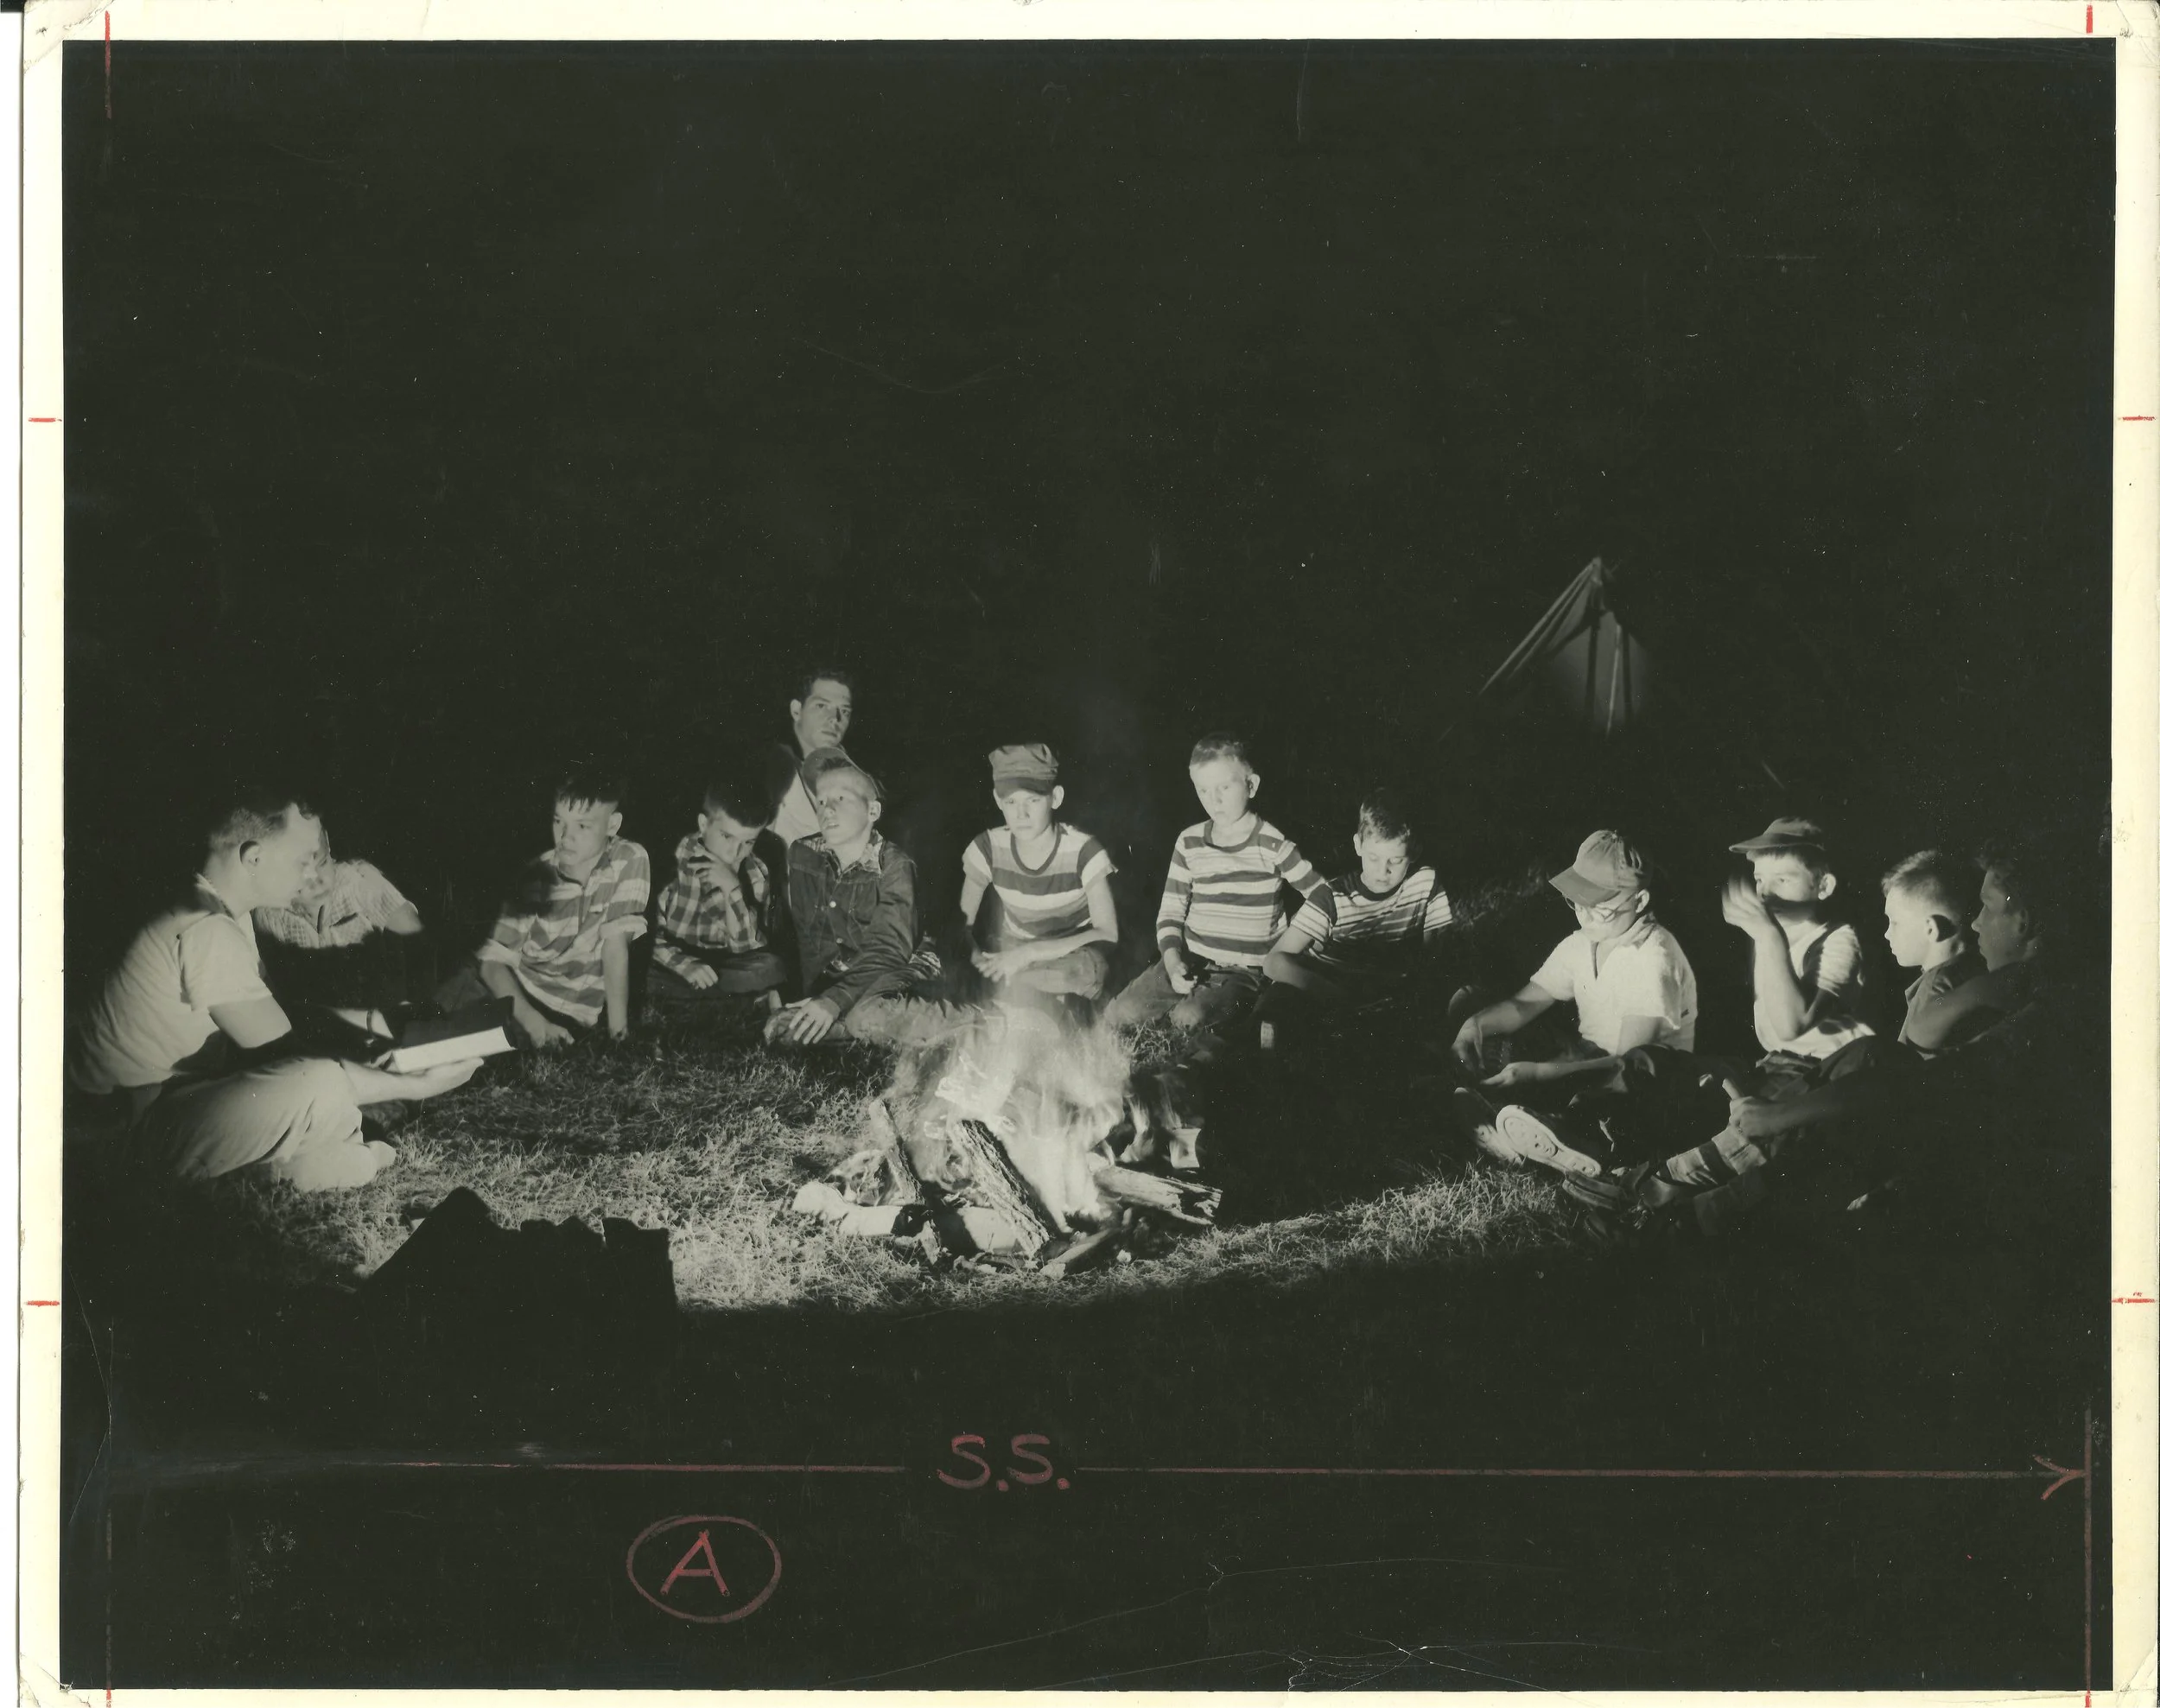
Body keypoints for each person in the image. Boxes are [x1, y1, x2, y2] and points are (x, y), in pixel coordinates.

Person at [67, 789, 477, 1190]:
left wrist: (373, 1023)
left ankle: (290, 1166)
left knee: (324, 1104)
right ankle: (300, 1163)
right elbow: (291, 1060)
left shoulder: (213, 907)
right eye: (303, 860)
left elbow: (276, 1017)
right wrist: (420, 1083)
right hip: (124, 1132)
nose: (311, 875)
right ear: (255, 857)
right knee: (323, 1084)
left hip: (163, 1106)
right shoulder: (206, 927)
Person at [1103, 732, 1326, 1044]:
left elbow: (1323, 896)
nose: (1214, 800)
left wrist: (1300, 947)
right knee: (1121, 1012)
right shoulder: (1189, 841)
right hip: (1192, 958)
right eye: (1203, 790)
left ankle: (1214, 1039)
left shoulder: (1273, 843)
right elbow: (1171, 910)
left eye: (1224, 787)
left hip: (1243, 970)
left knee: (1188, 1019)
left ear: (1251, 785)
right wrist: (1171, 959)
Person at [436, 762, 651, 1046]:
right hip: (510, 993)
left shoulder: (630, 859)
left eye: (583, 826)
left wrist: (619, 1036)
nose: (565, 837)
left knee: (475, 1050)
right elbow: (491, 965)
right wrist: (535, 1023)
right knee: (428, 1032)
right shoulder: (535, 879)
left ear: (613, 824)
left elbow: (615, 946)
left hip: (569, 1014)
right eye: (558, 821)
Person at [766, 760, 973, 1049]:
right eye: (821, 800)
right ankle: (856, 1027)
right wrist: (816, 997)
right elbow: (810, 940)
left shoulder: (895, 866)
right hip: (847, 974)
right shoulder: (803, 855)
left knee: (866, 1015)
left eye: (841, 798)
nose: (827, 810)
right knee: (783, 1029)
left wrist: (834, 1000)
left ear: (872, 811)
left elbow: (889, 950)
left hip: (904, 964)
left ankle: (995, 1022)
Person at [1259, 789, 1452, 1046]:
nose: (1383, 871)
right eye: (1373, 858)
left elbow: (1436, 957)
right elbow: (1273, 961)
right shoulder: (1332, 897)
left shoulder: (1425, 883)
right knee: (1277, 1008)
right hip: (1322, 987)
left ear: (1415, 851)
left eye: (1396, 860)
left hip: (1381, 997)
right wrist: (1331, 995)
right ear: (1358, 845)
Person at [958, 743, 1120, 1011]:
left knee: (1086, 970)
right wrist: (981, 962)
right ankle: (1033, 1004)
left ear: (1055, 797)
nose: (1021, 814)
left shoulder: (1084, 850)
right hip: (1013, 952)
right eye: (1011, 801)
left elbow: (1108, 932)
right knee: (951, 963)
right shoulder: (987, 848)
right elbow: (961, 926)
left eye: (1033, 800)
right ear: (998, 802)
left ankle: (1028, 1001)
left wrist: (1029, 954)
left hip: (1072, 953)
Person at [252, 827, 432, 1052]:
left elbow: (418, 943)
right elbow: (280, 982)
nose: (317, 881)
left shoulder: (358, 883)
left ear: (329, 844)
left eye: (323, 863)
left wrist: (416, 1004)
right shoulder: (269, 913)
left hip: (387, 1009)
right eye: (301, 871)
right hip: (328, 1020)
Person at [1719, 816, 1872, 1061]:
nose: (1765, 893)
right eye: (1760, 880)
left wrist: (1768, 938)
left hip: (1834, 1069)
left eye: (1782, 880)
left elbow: (1791, 1027)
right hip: (1787, 1062)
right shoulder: (1772, 932)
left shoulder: (1840, 940)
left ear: (1823, 887)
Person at [647, 766, 787, 1018]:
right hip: (670, 963)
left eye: (748, 842)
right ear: (704, 824)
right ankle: (732, 1005)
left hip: (725, 966)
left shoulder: (756, 872)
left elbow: (746, 946)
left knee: (771, 967)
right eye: (726, 836)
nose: (735, 853)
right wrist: (684, 965)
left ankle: (701, 1004)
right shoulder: (670, 862)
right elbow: (646, 934)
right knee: (638, 969)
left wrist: (732, 888)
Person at [1880, 848, 1997, 1058]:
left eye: (1895, 922)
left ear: (1931, 929)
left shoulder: (1934, 988)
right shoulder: (1977, 969)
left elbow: (1905, 1068)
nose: (1887, 934)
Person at [764, 668, 856, 848]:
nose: (835, 719)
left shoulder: (852, 774)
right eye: (822, 706)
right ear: (797, 710)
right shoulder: (773, 765)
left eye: (844, 711)